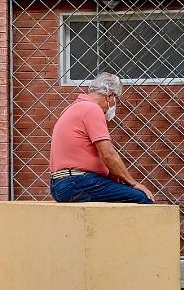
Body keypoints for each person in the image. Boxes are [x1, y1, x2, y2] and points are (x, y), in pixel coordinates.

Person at [48, 72, 156, 204]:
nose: (113, 106)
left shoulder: (73, 108)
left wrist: (113, 175)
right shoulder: (92, 109)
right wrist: (133, 183)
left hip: (60, 185)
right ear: (109, 96)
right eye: (116, 100)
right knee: (141, 198)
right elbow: (108, 154)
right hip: (76, 182)